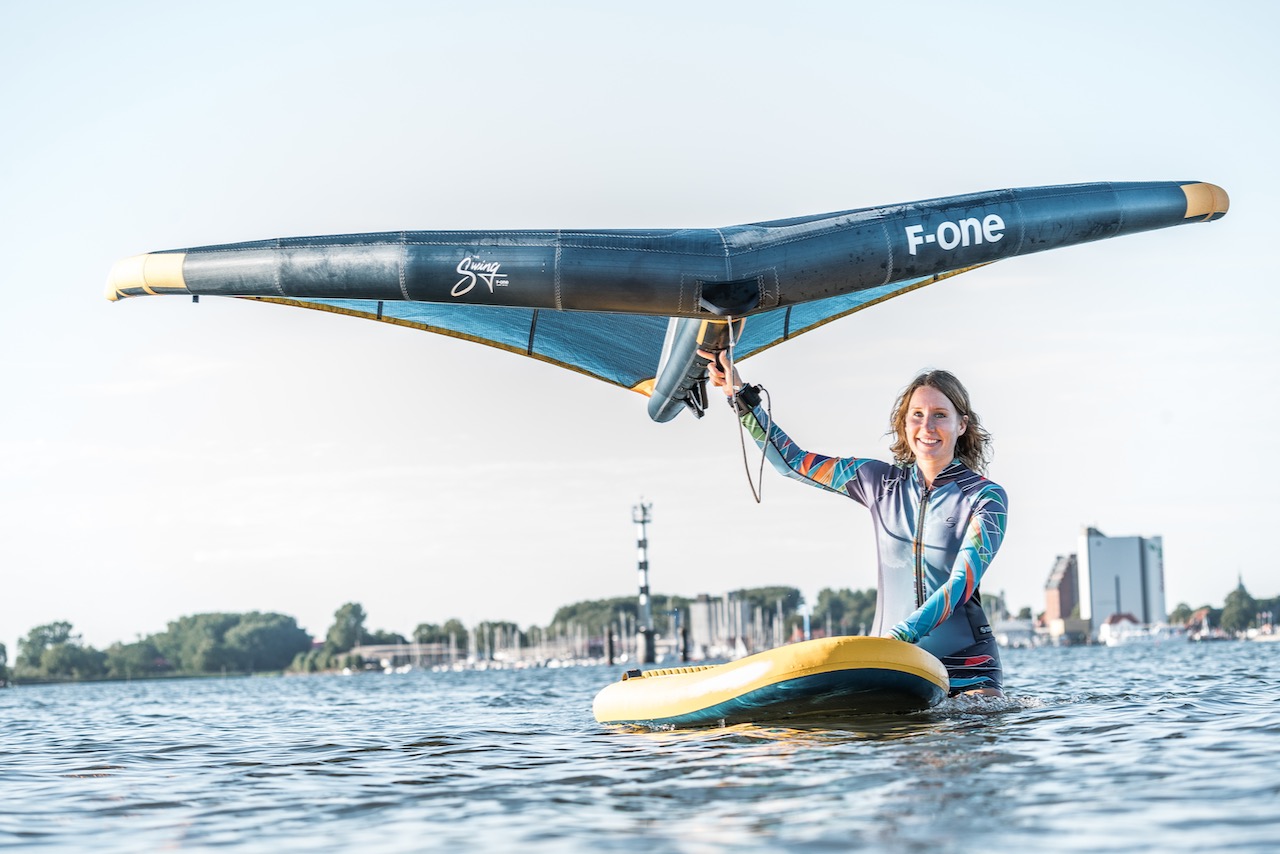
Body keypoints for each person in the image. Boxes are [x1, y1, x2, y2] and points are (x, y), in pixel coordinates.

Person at [699, 350, 1008, 697]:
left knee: (970, 726)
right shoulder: (876, 482)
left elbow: (960, 584)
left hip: (965, 663)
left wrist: (899, 636)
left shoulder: (986, 497)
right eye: (916, 415)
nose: (927, 427)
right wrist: (741, 398)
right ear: (904, 426)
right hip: (894, 660)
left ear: (961, 425)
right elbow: (792, 463)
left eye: (940, 415)